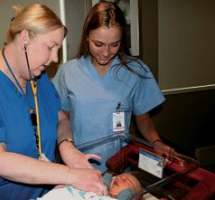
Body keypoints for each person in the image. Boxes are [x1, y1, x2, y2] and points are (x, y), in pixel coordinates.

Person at [0, 3, 107, 200]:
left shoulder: (38, 77)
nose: (54, 58)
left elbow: (62, 120)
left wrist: (66, 145)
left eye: (58, 49)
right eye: (50, 47)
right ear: (24, 38)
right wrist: (70, 175)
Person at [52, 1, 173, 172]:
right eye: (98, 44)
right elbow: (62, 117)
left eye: (114, 45)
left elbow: (143, 118)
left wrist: (156, 142)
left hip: (118, 167)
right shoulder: (68, 72)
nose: (106, 52)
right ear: (87, 36)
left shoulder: (136, 71)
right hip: (78, 165)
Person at [38, 173, 143, 200]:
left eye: (127, 181)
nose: (120, 178)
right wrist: (101, 182)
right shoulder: (97, 189)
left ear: (128, 195)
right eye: (120, 176)